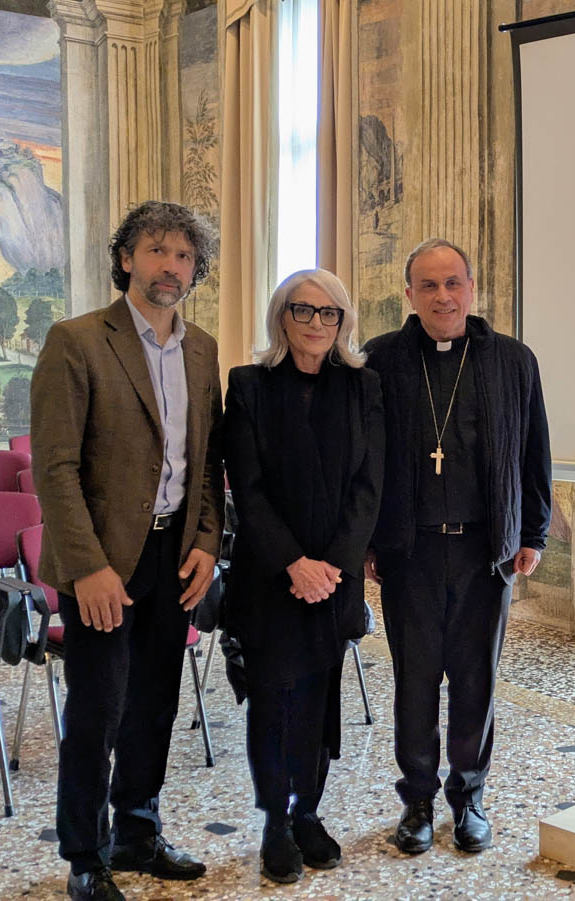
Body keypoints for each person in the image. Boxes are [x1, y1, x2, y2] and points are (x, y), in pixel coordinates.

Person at [30, 201, 225, 901]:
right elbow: (54, 470)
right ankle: (85, 853)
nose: (170, 266)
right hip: (103, 563)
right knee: (98, 709)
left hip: (174, 556)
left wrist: (207, 542)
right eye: (156, 251)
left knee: (155, 703)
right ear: (126, 259)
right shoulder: (76, 340)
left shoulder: (201, 350)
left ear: (195, 270)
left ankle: (137, 831)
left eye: (183, 256)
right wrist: (87, 567)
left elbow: (206, 465)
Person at [363, 237, 552, 855]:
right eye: (429, 285)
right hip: (409, 553)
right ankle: (417, 799)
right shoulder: (381, 359)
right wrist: (366, 540)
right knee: (416, 680)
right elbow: (366, 460)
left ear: (471, 290)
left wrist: (534, 533)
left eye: (453, 283)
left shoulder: (512, 361)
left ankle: (468, 797)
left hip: (483, 552)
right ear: (409, 294)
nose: (442, 296)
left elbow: (534, 453)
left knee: (476, 681)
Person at [223, 269, 384, 883]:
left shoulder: (364, 387)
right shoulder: (249, 386)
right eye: (303, 310)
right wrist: (293, 562)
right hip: (272, 578)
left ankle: (308, 811)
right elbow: (248, 487)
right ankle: (274, 822)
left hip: (333, 580)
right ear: (281, 316)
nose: (317, 323)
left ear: (343, 322)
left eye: (329, 313)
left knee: (319, 698)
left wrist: (334, 567)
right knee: (273, 702)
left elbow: (371, 487)